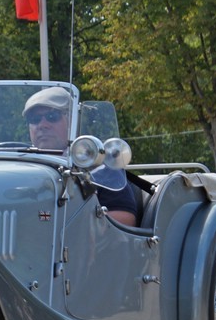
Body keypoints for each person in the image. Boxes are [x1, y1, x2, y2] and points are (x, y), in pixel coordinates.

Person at [23, 88, 138, 226]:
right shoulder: (21, 169)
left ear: (72, 121)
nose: (42, 125)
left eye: (52, 116)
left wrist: (65, 225)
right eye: (35, 119)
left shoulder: (99, 167)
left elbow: (124, 220)